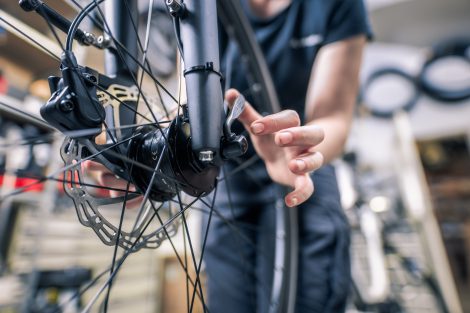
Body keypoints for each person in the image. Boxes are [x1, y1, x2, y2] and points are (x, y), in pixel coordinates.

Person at [203, 1, 372, 312]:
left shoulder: (338, 5)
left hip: (300, 167)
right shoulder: (204, 5)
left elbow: (333, 117)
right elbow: (187, 108)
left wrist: (302, 150)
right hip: (226, 176)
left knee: (306, 297)